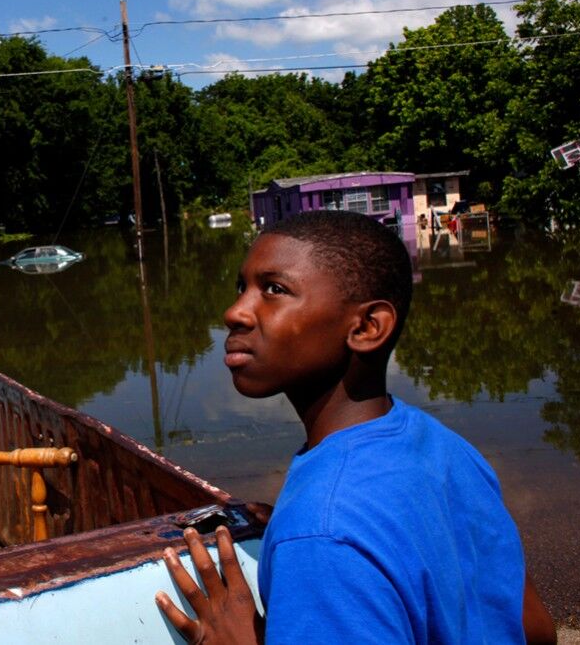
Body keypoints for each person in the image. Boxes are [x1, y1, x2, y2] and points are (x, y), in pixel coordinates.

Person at [155, 210, 556, 644]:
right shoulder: (442, 448)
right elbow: (535, 629)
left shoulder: (324, 533)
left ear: (366, 327)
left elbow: (336, 532)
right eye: (242, 287)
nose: (235, 312)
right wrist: (320, 534)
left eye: (275, 290)